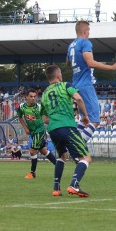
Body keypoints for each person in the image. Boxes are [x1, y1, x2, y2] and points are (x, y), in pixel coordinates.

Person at [67, 21, 116, 142]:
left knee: (85, 119)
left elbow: (68, 62)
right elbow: (90, 62)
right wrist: (111, 67)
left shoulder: (71, 45)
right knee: (95, 121)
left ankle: (73, 144)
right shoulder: (85, 42)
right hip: (85, 84)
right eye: (88, 30)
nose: (89, 33)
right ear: (84, 31)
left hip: (76, 84)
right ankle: (77, 147)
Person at [40, 65, 91, 197]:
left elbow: (44, 119)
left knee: (62, 156)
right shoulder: (65, 85)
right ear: (58, 75)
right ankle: (74, 185)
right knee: (86, 158)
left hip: (53, 129)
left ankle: (56, 188)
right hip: (67, 126)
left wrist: (54, 118)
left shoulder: (45, 93)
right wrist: (85, 116)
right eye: (61, 73)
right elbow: (78, 98)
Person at [18, 89, 57, 178]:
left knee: (32, 151)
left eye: (35, 96)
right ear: (26, 97)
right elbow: (20, 117)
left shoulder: (39, 107)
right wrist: (25, 128)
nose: (33, 98)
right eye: (31, 96)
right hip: (32, 132)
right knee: (44, 151)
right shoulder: (21, 107)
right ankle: (58, 164)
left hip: (40, 131)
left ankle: (32, 173)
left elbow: (46, 119)